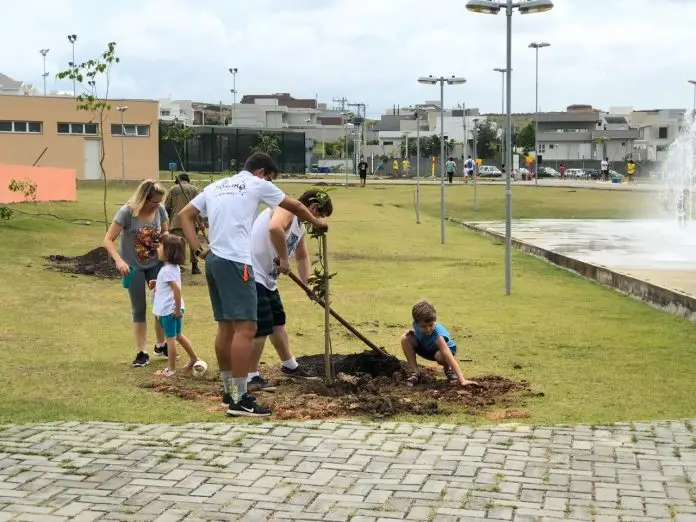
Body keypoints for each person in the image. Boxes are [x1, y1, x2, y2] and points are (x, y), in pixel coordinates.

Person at [177, 153, 328, 418]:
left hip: (215, 261)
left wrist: (199, 251)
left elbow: (183, 215)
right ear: (261, 173)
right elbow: (295, 206)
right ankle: (240, 398)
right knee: (247, 328)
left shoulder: (216, 186)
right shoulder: (257, 183)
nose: (271, 184)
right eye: (270, 178)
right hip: (238, 262)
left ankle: (229, 393)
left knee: (226, 327)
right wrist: (317, 222)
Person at [247, 189, 335, 392]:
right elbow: (274, 228)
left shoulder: (300, 225)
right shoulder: (286, 208)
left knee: (278, 321)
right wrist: (285, 258)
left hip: (268, 278)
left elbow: (303, 257)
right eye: (319, 216)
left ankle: (289, 365)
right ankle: (251, 376)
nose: (317, 221)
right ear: (313, 208)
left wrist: (309, 287)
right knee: (262, 325)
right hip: (253, 273)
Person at [104, 180, 169, 368]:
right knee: (139, 308)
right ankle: (142, 352)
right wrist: (119, 260)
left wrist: (163, 243)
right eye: (154, 202)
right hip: (132, 267)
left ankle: (161, 345)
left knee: (161, 305)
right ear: (144, 198)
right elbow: (108, 240)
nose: (158, 205)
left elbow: (166, 231)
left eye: (159, 202)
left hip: (154, 264)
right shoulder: (127, 212)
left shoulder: (160, 210)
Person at [149, 235, 201, 377]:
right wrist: (156, 282)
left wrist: (177, 310)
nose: (158, 249)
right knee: (178, 335)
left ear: (168, 251)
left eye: (160, 246)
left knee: (170, 338)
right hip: (173, 308)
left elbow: (176, 290)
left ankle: (170, 370)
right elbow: (170, 286)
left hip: (169, 310)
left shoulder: (167, 270)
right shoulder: (172, 268)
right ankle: (194, 358)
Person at [400, 300, 477, 387]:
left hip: (443, 352)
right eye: (423, 326)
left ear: (435, 321)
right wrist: (413, 332)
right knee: (405, 338)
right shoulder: (416, 324)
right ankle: (416, 373)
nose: (428, 329)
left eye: (431, 325)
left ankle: (448, 370)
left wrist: (462, 380)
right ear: (416, 323)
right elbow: (418, 332)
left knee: (439, 356)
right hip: (427, 348)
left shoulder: (438, 336)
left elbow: (449, 357)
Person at [165, 173, 201, 275]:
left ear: (179, 180)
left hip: (177, 221)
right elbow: (199, 207)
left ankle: (178, 267)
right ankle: (195, 267)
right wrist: (200, 222)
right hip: (192, 222)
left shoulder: (173, 189)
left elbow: (167, 207)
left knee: (178, 245)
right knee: (194, 244)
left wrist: (169, 219)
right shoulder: (194, 189)